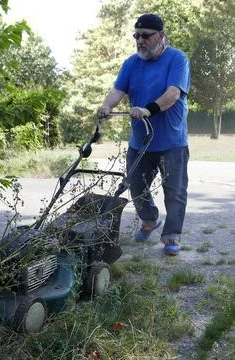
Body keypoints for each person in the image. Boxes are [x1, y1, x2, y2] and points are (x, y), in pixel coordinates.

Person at [97, 13, 190, 256]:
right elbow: (118, 90)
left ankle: (171, 237)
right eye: (136, 36)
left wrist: (149, 109)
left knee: (175, 191)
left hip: (171, 140)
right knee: (136, 185)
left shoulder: (177, 59)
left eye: (145, 36)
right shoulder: (131, 63)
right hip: (140, 141)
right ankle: (150, 219)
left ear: (161, 36)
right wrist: (107, 106)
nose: (140, 41)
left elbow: (173, 94)